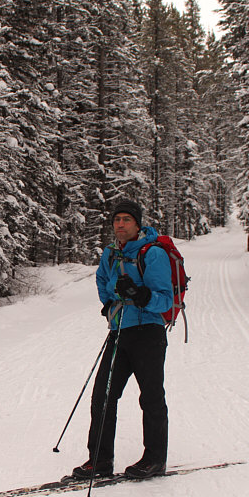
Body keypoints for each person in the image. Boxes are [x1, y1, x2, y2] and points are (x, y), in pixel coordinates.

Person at [72, 200, 174, 480]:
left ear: (137, 223)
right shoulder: (111, 254)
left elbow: (166, 299)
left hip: (148, 334)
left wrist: (141, 296)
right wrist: (108, 304)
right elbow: (101, 280)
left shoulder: (152, 253)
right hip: (119, 333)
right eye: (116, 219)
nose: (120, 224)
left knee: (151, 398)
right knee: (103, 396)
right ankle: (100, 461)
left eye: (126, 219)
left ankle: (155, 459)